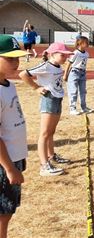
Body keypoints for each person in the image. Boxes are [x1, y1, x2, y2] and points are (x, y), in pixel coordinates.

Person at [19, 43, 73, 176]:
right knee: (44, 133)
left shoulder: (58, 66)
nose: (65, 57)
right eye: (62, 55)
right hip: (48, 100)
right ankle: (44, 165)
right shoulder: (46, 66)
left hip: (57, 99)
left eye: (66, 55)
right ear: (52, 54)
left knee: (51, 132)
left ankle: (51, 156)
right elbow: (23, 74)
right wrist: (36, 87)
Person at [0, 35, 29, 237]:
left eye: (17, 58)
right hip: (4, 163)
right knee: (2, 214)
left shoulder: (9, 84)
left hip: (16, 156)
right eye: (9, 59)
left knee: (7, 212)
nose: (16, 63)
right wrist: (9, 168)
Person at [64, 36, 92, 115]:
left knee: (83, 91)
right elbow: (69, 63)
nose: (88, 44)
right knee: (73, 91)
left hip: (82, 73)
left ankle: (84, 107)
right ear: (80, 43)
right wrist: (65, 74)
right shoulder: (75, 53)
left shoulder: (86, 54)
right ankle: (72, 108)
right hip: (74, 72)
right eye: (86, 43)